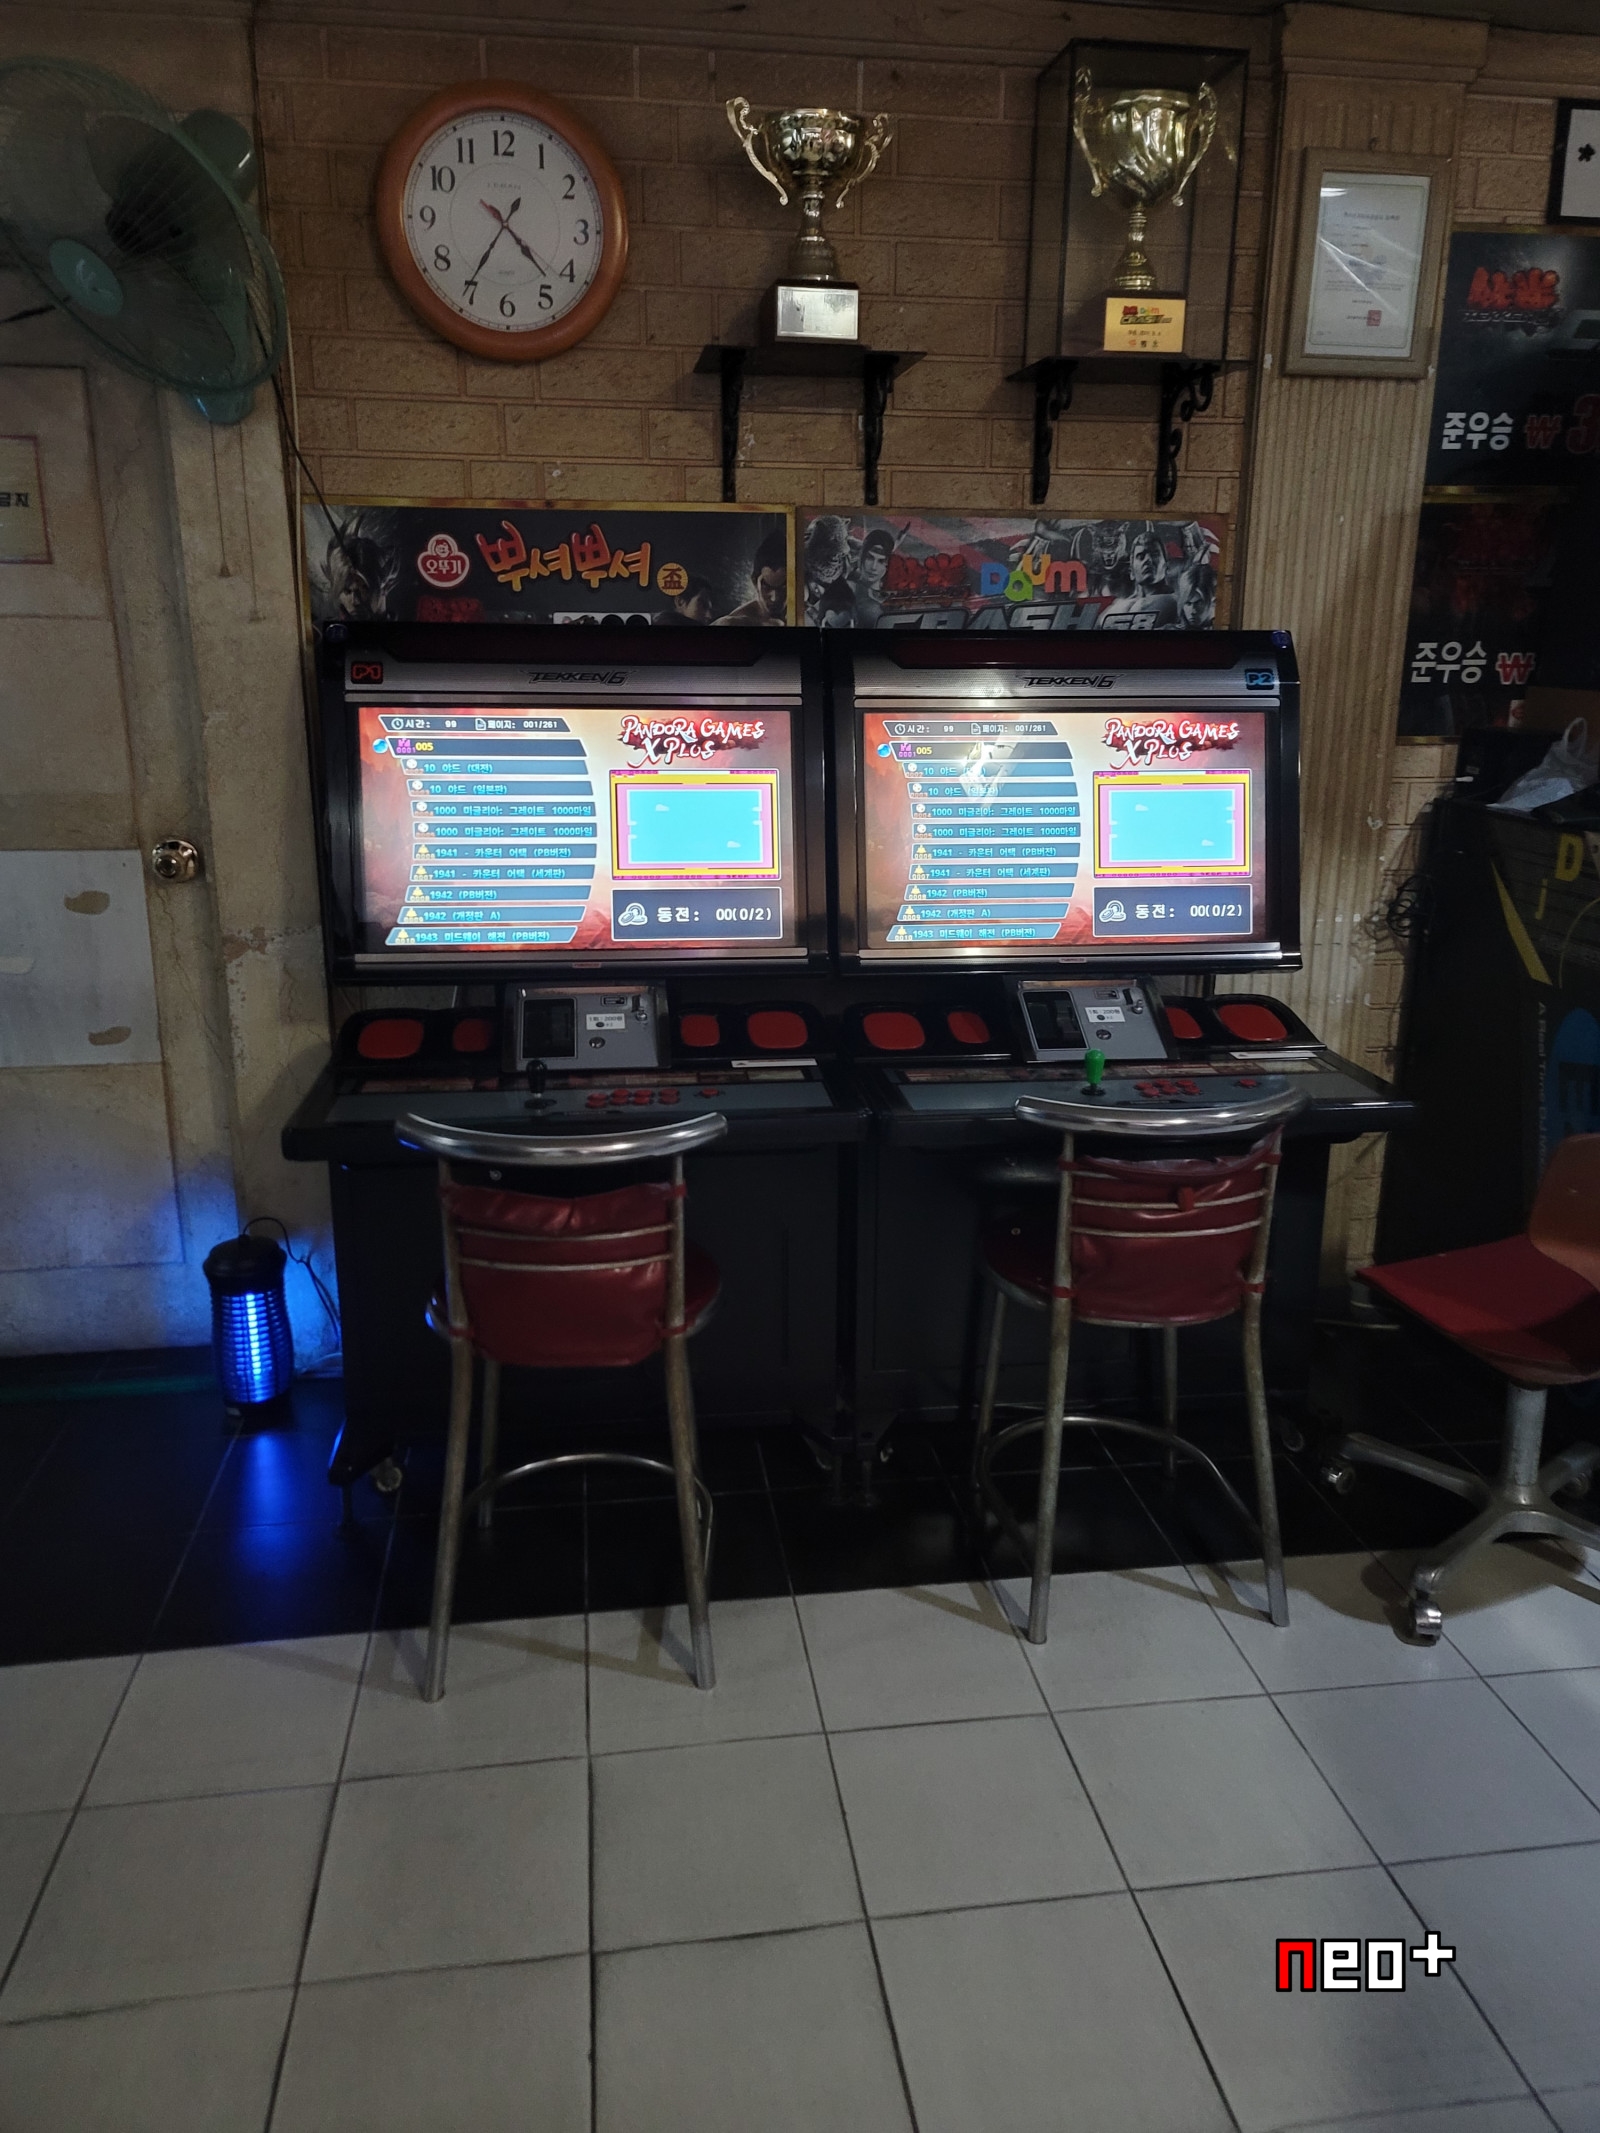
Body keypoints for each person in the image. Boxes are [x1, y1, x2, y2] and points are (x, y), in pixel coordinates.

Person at [1096, 525, 1178, 629]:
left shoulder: (1179, 602)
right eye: (1141, 556)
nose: (1148, 560)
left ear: (1167, 566)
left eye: (1154, 554)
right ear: (1131, 571)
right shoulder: (1114, 608)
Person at [713, 530, 788, 626]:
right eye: (766, 587)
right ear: (754, 582)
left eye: (783, 588)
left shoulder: (801, 612)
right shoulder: (733, 623)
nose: (774, 598)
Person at [850, 527, 895, 626]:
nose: (874, 567)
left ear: (887, 564)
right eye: (870, 558)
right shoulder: (848, 587)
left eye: (881, 561)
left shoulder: (892, 596)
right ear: (862, 556)